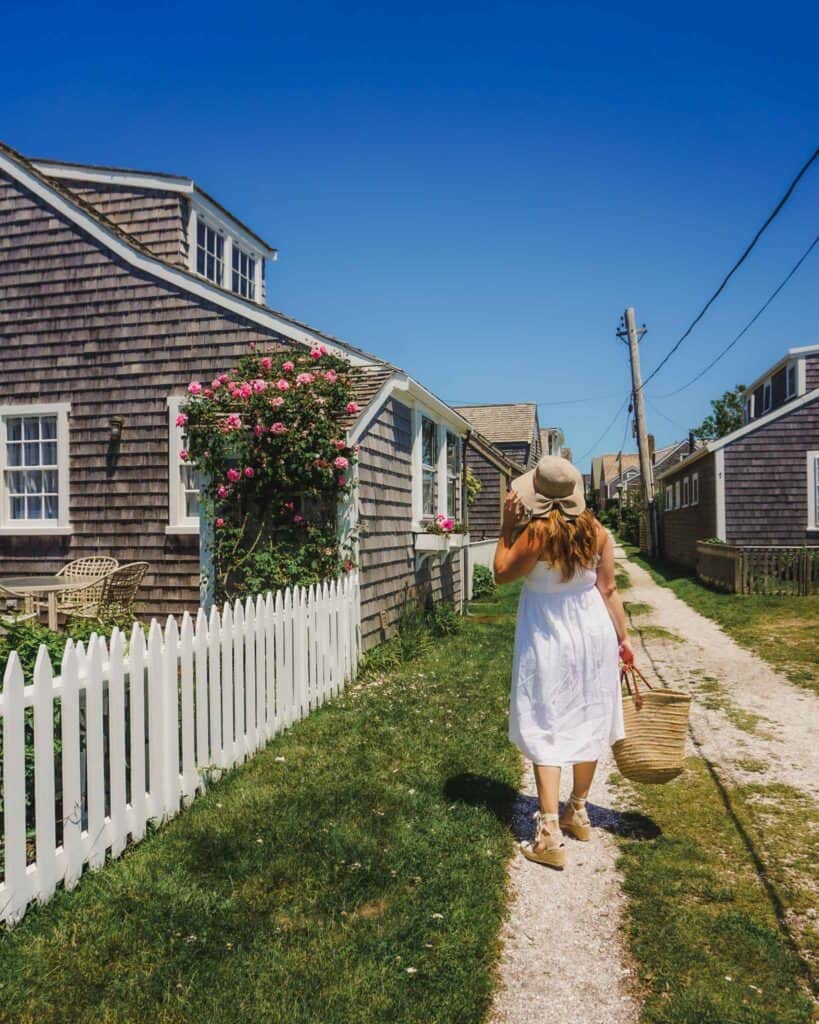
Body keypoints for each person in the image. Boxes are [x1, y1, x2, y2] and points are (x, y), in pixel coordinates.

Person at [493, 455, 633, 870]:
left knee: (546, 715)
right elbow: (608, 590)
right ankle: (578, 809)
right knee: (590, 712)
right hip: (593, 631)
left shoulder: (536, 533)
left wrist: (506, 525)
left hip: (548, 631)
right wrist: (623, 640)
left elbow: (501, 573)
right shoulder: (598, 532)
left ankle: (550, 833)